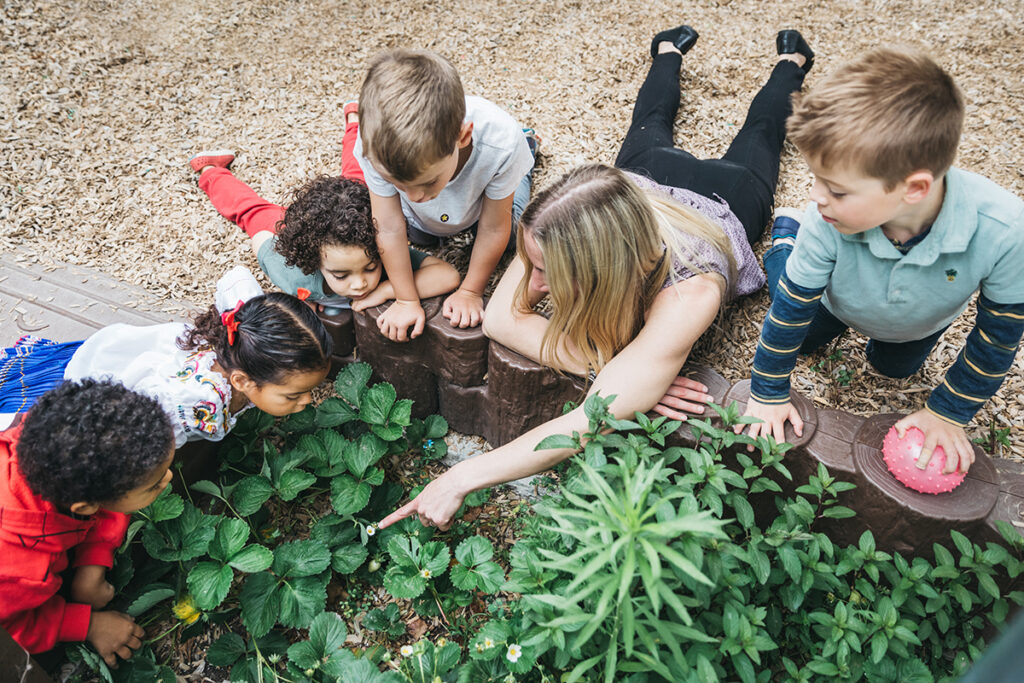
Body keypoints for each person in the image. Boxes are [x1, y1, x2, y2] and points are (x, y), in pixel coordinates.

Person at [379, 25, 815, 530]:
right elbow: (500, 320)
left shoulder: (690, 291)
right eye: (534, 264)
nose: (534, 286)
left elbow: (587, 421)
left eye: (547, 273)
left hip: (727, 199)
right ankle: (669, 50)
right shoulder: (560, 220)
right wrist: (621, 368)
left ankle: (791, 64)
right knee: (650, 117)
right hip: (642, 179)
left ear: (602, 265)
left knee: (760, 136)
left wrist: (460, 478)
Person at [740, 46, 1024, 475]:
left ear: (913, 189)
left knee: (892, 370)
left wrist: (947, 413)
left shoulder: (1005, 231)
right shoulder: (826, 218)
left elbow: (997, 337)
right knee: (792, 312)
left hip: (918, 322)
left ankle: (790, 242)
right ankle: (785, 238)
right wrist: (766, 391)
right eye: (816, 179)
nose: (817, 197)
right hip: (833, 300)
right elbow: (790, 309)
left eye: (836, 189)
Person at [0, 267, 332, 446]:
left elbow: (236, 278)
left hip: (125, 350)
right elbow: (131, 435)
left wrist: (243, 308)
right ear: (242, 380)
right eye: (294, 394)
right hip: (95, 385)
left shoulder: (245, 333)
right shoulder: (193, 404)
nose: (307, 400)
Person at [354, 48, 538, 341]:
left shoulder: (500, 141)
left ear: (462, 137)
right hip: (434, 217)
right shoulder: (373, 146)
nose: (414, 196)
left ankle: (527, 150)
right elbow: (388, 226)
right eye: (399, 184)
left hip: (484, 203)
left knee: (513, 235)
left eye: (427, 181)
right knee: (421, 235)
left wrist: (470, 290)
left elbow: (493, 228)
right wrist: (406, 299)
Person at [0, 379, 175, 664]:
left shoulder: (51, 441)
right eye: (152, 486)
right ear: (85, 506)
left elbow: (105, 495)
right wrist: (87, 624)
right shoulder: (20, 574)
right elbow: (11, 630)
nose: (167, 480)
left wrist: (92, 564)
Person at [190, 150, 461, 316]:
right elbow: (261, 240)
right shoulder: (296, 278)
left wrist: (389, 289)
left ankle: (354, 120)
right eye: (341, 275)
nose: (359, 284)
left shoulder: (383, 256)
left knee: (356, 176)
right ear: (315, 264)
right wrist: (295, 302)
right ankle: (209, 170)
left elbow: (447, 275)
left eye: (369, 269)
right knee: (250, 212)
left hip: (345, 215)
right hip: (287, 227)